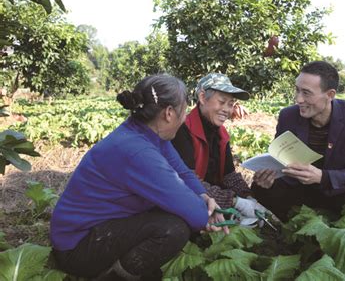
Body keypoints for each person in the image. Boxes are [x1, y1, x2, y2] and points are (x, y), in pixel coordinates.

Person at [50, 74, 228, 281]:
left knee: (171, 213)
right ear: (169, 113)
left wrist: (203, 195)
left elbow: (182, 171)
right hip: (77, 247)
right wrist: (204, 213)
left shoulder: (147, 133)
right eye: (184, 111)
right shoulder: (138, 152)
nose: (184, 118)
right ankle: (110, 277)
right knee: (173, 229)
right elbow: (196, 216)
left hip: (97, 228)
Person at [252, 61, 345, 221]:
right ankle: (293, 228)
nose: (298, 99)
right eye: (297, 90)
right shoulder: (288, 116)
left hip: (335, 190)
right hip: (298, 189)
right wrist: (269, 177)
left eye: (306, 93)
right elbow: (280, 161)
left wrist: (322, 177)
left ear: (330, 95)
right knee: (260, 187)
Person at [172, 73, 267, 218]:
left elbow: (229, 174)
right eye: (221, 102)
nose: (227, 110)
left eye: (230, 104)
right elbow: (187, 182)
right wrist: (235, 202)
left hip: (214, 197)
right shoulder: (182, 130)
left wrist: (248, 197)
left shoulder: (221, 133)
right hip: (190, 200)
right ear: (203, 97)